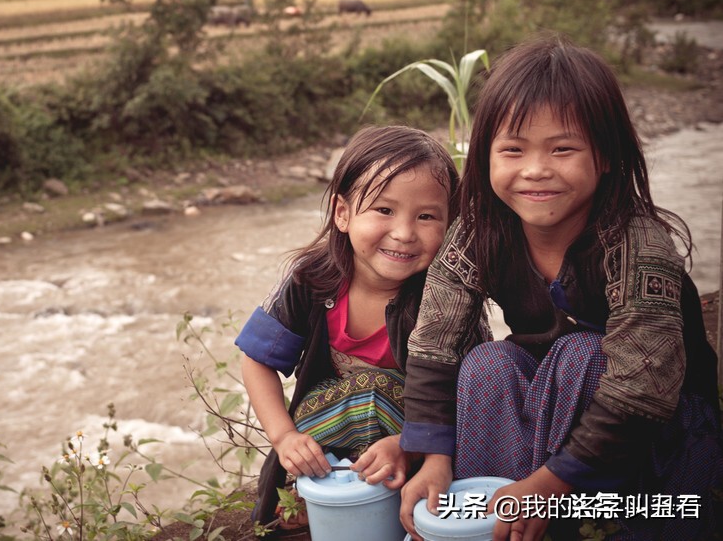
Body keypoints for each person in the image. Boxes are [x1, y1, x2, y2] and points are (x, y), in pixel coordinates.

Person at [398, 34, 721, 541]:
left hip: (655, 445)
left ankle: (556, 518)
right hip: (549, 426)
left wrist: (550, 483)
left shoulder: (636, 244)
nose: (535, 170)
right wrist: (434, 458)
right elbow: (434, 341)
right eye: (512, 150)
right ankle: (494, 516)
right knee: (489, 364)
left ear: (608, 155)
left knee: (582, 355)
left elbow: (642, 389)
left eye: (563, 149)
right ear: (486, 157)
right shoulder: (480, 231)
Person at [234, 125, 491, 526]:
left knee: (381, 392)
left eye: (426, 216)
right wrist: (285, 437)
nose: (404, 233)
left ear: (449, 227)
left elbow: (472, 393)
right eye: (384, 210)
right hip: (326, 433)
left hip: (425, 437)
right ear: (342, 213)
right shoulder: (311, 279)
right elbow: (257, 360)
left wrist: (407, 446)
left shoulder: (448, 295)